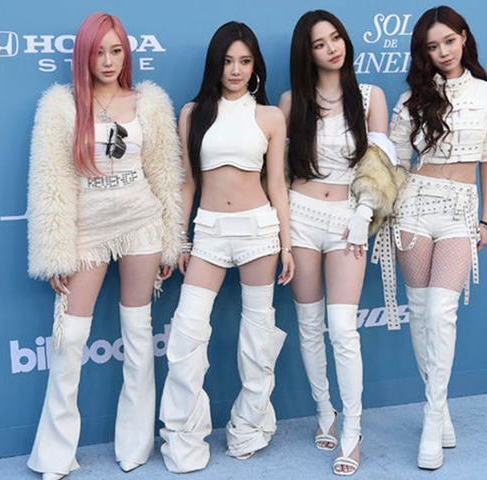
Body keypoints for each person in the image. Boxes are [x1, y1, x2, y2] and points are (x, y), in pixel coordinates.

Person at [25, 12, 183, 480]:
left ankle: (135, 446)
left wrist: (170, 240)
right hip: (87, 233)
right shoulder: (61, 106)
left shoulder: (150, 102)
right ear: (84, 55)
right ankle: (55, 455)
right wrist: (55, 250)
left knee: (138, 334)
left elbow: (165, 174)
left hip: (142, 224)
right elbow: (50, 182)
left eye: (116, 51)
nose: (109, 60)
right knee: (70, 340)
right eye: (99, 52)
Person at [157, 21, 294, 473]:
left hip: (259, 231)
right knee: (186, 335)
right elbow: (187, 185)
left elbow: (277, 185)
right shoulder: (192, 113)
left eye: (245, 61)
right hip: (209, 232)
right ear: (215, 64)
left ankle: (248, 429)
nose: (235, 70)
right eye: (228, 61)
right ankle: (183, 441)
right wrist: (179, 239)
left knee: (257, 339)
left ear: (255, 66)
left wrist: (287, 245)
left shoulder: (270, 117)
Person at [278, 10, 401, 476]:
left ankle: (353, 429)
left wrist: (364, 214)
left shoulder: (370, 96)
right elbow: (278, 171)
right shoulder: (291, 101)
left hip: (349, 219)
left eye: (336, 38)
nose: (332, 48)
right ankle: (324, 411)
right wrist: (282, 228)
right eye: (319, 43)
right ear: (306, 53)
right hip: (301, 215)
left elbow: (381, 166)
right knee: (309, 324)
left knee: (343, 328)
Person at [388, 5, 487, 471]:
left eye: (449, 41)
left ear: (464, 38)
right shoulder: (411, 100)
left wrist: (486, 220)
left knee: (441, 313)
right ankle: (439, 409)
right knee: (421, 315)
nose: (442, 52)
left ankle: (430, 416)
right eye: (432, 46)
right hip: (413, 208)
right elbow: (398, 164)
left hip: (461, 210)